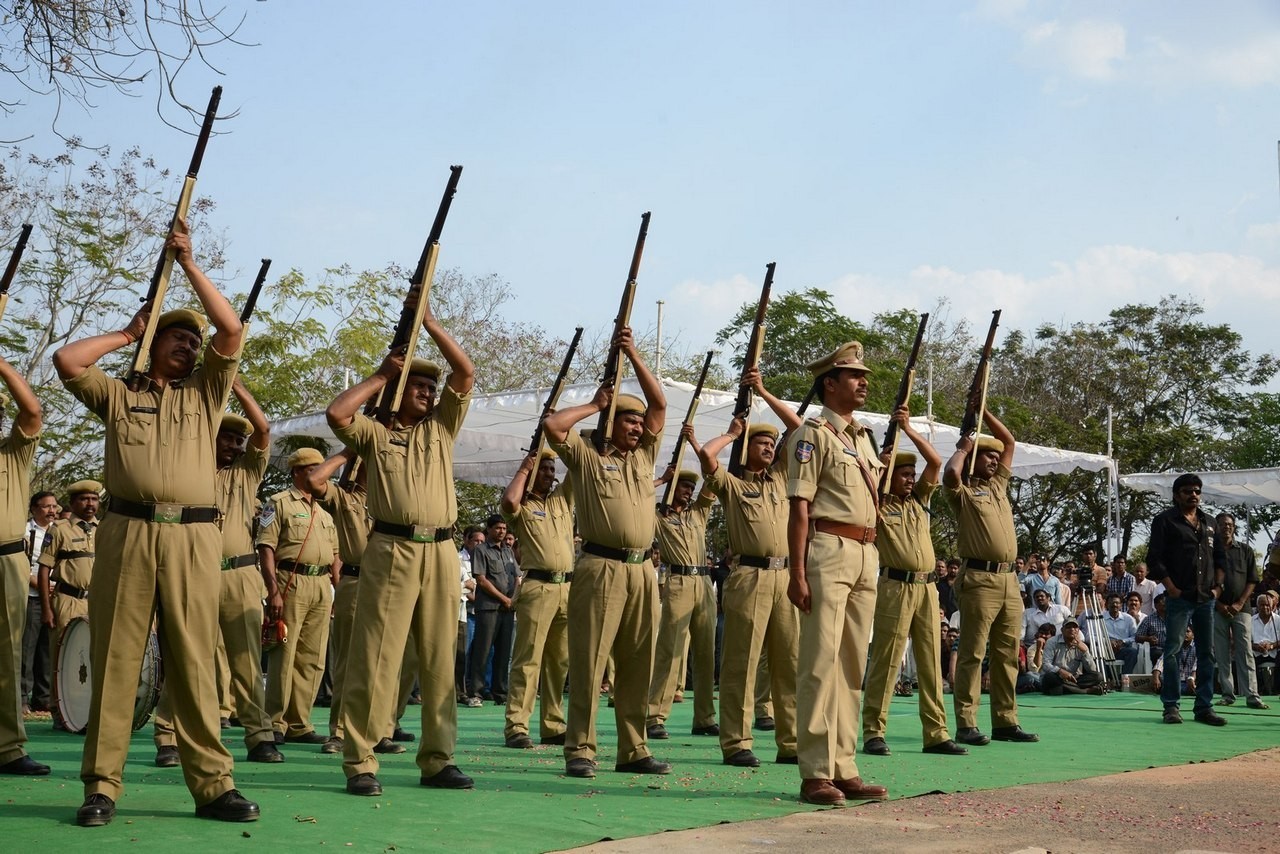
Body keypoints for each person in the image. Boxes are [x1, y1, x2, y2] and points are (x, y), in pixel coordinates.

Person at [52, 217, 258, 824]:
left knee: (195, 659)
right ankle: (102, 787)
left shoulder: (206, 394)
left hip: (196, 535)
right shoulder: (119, 396)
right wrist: (125, 332)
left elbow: (230, 328)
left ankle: (214, 785)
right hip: (128, 530)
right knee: (117, 657)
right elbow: (67, 360)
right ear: (153, 344)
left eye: (191, 343)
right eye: (175, 338)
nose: (189, 346)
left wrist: (189, 263)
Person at [326, 285, 475, 797]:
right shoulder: (373, 433)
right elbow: (338, 414)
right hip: (391, 548)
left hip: (442, 550)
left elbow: (466, 374)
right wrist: (382, 376)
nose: (429, 394)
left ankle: (437, 758)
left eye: (431, 390)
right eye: (418, 387)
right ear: (398, 391)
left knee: (438, 659)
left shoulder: (440, 429)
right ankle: (360, 760)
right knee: (378, 656)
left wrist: (431, 324)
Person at [542, 326, 668, 780]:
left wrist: (633, 354)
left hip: (642, 570)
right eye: (627, 421)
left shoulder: (643, 458)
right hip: (600, 566)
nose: (637, 428)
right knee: (591, 660)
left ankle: (634, 750)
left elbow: (659, 405)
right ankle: (580, 748)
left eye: (638, 424)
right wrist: (594, 405)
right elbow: (554, 426)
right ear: (610, 423)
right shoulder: (587, 457)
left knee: (638, 663)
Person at [154, 381, 283, 765]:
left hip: (241, 573)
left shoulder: (245, 474)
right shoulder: (184, 472)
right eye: (225, 438)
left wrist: (235, 384)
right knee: (185, 656)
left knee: (246, 660)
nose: (234, 445)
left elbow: (262, 430)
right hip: (194, 572)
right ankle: (168, 737)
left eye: (237, 441)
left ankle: (259, 736)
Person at [785, 342, 888, 806]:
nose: (863, 382)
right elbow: (800, 509)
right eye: (853, 375)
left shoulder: (864, 437)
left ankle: (844, 767)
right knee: (819, 663)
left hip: (866, 551)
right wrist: (798, 571)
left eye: (863, 375)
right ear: (829, 383)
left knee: (851, 666)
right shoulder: (812, 434)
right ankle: (814, 772)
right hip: (827, 548)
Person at [697, 367, 800, 770]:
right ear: (746, 450)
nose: (769, 448)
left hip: (785, 576)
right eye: (761, 443)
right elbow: (707, 456)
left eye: (772, 444)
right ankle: (736, 742)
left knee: (789, 662)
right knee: (742, 661)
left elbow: (802, 430)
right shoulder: (733, 485)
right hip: (749, 576)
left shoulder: (780, 479)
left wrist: (764, 391)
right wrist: (733, 434)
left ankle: (790, 741)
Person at [861, 405, 966, 759]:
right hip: (895, 585)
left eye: (911, 474)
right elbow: (865, 487)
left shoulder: (919, 500)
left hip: (926, 588)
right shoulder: (877, 502)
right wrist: (880, 464)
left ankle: (936, 733)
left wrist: (908, 430)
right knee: (887, 661)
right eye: (903, 474)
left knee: (930, 662)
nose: (910, 478)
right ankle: (874, 730)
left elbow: (936, 463)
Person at [943, 407, 1038, 747]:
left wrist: (985, 412)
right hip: (979, 579)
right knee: (972, 653)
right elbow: (950, 474)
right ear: (973, 460)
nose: (995, 461)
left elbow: (1009, 441)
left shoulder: (998, 485)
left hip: (1010, 580)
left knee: (1008, 653)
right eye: (987, 456)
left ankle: (1005, 721)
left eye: (996, 458)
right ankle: (966, 723)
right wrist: (965, 447)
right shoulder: (964, 493)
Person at [257, 447, 340, 744]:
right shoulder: (278, 503)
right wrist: (273, 592)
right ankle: (275, 723)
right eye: (312, 469)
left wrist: (337, 589)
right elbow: (266, 547)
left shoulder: (324, 512)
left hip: (321, 584)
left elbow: (334, 555)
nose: (320, 474)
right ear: (297, 472)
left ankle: (299, 724)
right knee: (285, 653)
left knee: (313, 657)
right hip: (290, 581)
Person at [500, 449, 573, 749]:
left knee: (559, 662)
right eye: (542, 468)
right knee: (527, 661)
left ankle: (553, 725)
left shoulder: (562, 499)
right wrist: (524, 467)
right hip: (537, 587)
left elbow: (580, 470)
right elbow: (508, 503)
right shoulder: (524, 506)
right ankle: (516, 725)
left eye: (551, 468)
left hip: (566, 589)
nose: (549, 473)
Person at [1144, 473, 1227, 726]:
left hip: (1206, 598)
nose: (1194, 495)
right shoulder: (1165, 520)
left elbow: (1221, 559)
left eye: (1197, 491)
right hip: (1179, 597)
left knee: (1207, 654)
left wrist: (1218, 588)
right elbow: (1154, 559)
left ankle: (1204, 707)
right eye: (1188, 491)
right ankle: (1171, 706)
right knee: (1173, 652)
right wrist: (1171, 588)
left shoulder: (1210, 522)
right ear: (1177, 495)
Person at [647, 455, 718, 741]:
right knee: (670, 650)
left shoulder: (698, 513)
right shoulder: (658, 516)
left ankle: (704, 717)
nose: (688, 491)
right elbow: (635, 494)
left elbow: (713, 480)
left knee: (705, 653)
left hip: (703, 582)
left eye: (691, 487)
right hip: (677, 580)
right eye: (683, 486)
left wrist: (703, 450)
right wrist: (662, 479)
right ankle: (654, 715)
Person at [0, 358, 47, 776]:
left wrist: (0, 364)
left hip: (6, 560)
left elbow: (32, 412)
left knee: (8, 655)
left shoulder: (12, 453)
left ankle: (8, 747)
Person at [37, 479, 99, 732]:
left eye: (94, 499)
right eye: (84, 499)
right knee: (62, 658)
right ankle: (59, 712)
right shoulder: (59, 529)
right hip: (67, 600)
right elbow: (44, 570)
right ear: (73, 503)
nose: (90, 504)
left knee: (93, 657)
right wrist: (46, 608)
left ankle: (85, 711)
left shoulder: (103, 529)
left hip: (95, 602)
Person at [1211, 513, 1267, 709]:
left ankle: (1252, 695)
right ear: (1216, 527)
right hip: (1217, 608)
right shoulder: (1210, 552)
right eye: (1223, 524)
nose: (1227, 527)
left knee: (1245, 652)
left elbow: (1253, 580)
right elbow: (1206, 582)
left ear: (1234, 527)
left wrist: (1239, 603)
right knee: (1222, 653)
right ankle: (1227, 694)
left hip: (1241, 609)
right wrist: (1219, 605)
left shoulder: (1245, 550)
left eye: (1230, 524)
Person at [468, 515, 519, 707]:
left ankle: (500, 692)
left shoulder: (508, 552)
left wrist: (513, 598)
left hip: (507, 609)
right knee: (483, 651)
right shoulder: (480, 550)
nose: (502, 531)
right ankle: (476, 693)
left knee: (504, 652)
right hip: (489, 607)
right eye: (497, 528)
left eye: (504, 528)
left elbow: (516, 576)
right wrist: (504, 598)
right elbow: (481, 580)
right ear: (488, 529)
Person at [21, 490, 58, 716]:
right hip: (31, 595)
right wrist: (37, 584)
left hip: (56, 596)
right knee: (27, 648)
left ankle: (43, 700)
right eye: (46, 506)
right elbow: (19, 564)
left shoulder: (61, 530)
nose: (52, 510)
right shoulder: (25, 531)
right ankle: (22, 698)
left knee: (48, 649)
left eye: (54, 506)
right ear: (34, 508)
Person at [1039, 616, 1104, 695]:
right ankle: (1086, 691)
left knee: (1098, 676)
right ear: (1062, 630)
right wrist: (1060, 671)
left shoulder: (1082, 645)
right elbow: (1046, 664)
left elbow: (1092, 670)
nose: (1072, 629)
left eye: (1075, 627)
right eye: (1068, 627)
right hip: (1056, 677)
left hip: (1072, 679)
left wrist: (1085, 652)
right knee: (1050, 677)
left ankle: (1066, 689)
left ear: (1078, 630)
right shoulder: (1052, 642)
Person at [1100, 593, 1139, 675]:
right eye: (1112, 603)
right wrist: (1107, 642)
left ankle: (1125, 678)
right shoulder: (1100, 618)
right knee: (1097, 652)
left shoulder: (1128, 618)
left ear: (1121, 605)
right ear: (1107, 604)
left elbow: (1135, 636)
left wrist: (1123, 641)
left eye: (1117, 603)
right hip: (1105, 649)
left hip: (1122, 649)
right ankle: (1106, 680)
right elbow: (1091, 636)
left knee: (1132, 652)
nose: (1114, 605)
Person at [1250, 593, 1278, 695]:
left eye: (1267, 605)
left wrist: (1271, 646)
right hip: (1256, 653)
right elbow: (1246, 640)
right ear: (1257, 606)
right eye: (1262, 605)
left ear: (1272, 606)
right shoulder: (1250, 621)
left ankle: (1276, 690)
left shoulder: (1278, 620)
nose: (1265, 607)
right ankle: (1254, 691)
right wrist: (1256, 647)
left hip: (1275, 652)